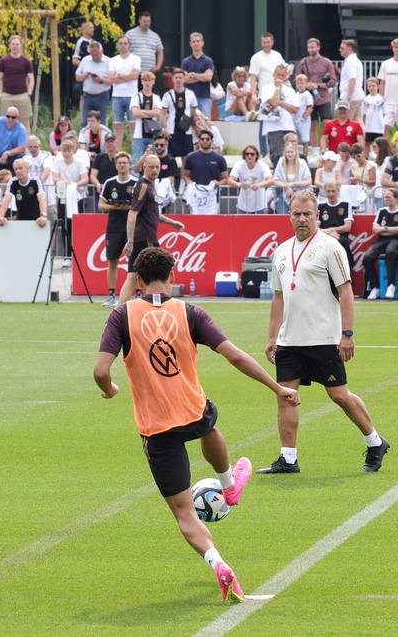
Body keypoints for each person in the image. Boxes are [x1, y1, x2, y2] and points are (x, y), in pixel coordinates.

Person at [94, 246, 293, 604]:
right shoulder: (190, 312)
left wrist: (109, 389)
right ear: (172, 276)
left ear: (138, 281)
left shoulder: (120, 316)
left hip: (155, 428)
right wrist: (277, 387)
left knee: (185, 513)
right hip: (192, 412)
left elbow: (99, 371)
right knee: (209, 424)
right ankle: (228, 484)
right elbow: (234, 354)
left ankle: (218, 564)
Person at [262, 190, 389, 475]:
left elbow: (346, 292)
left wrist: (347, 333)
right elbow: (278, 298)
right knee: (285, 395)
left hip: (324, 338)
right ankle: (288, 458)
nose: (302, 219)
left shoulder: (331, 247)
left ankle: (375, 441)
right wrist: (272, 337)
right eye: (297, 214)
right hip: (289, 339)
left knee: (339, 395)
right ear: (289, 216)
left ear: (317, 216)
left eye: (307, 214)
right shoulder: (281, 251)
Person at [121, 153, 186, 297]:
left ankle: (118, 313)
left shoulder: (150, 185)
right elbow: (132, 213)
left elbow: (152, 212)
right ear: (144, 167)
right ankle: (165, 304)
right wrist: (130, 241)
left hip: (144, 237)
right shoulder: (144, 186)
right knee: (164, 272)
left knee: (132, 276)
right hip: (146, 238)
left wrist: (171, 223)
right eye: (151, 167)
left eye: (157, 167)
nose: (155, 170)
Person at [98, 152, 137, 305]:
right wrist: (115, 206)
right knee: (112, 261)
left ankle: (137, 294)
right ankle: (112, 295)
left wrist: (129, 207)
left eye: (125, 162)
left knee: (135, 262)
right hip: (113, 227)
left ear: (129, 164)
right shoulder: (109, 183)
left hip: (132, 228)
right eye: (119, 162)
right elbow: (101, 205)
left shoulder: (136, 182)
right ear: (116, 165)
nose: (122, 165)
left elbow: (140, 205)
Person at [296, 38, 335, 146]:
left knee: (328, 125)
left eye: (313, 47)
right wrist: (305, 85)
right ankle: (315, 149)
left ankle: (327, 148)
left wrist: (318, 85)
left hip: (323, 97)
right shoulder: (302, 63)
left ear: (318, 47)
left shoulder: (327, 62)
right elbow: (297, 80)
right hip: (308, 99)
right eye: (309, 47)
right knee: (311, 125)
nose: (310, 49)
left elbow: (333, 81)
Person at [183, 130, 229, 215]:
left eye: (207, 139)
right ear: (199, 140)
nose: (205, 141)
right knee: (195, 223)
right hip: (195, 196)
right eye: (202, 139)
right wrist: (190, 183)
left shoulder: (219, 158)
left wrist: (218, 183)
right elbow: (185, 175)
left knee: (212, 223)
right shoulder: (191, 157)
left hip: (212, 197)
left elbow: (226, 178)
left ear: (212, 141)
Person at [0, 35, 35, 129]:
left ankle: (27, 143)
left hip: (22, 96)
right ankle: (6, 143)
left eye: (17, 44)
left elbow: (31, 78)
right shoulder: (4, 60)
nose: (15, 46)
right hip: (7, 96)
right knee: (5, 121)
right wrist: (1, 94)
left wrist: (29, 93)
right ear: (9, 46)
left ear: (21, 46)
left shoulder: (26, 61)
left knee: (25, 122)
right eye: (13, 44)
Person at [318, 181, 355, 267]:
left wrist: (330, 230)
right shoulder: (320, 205)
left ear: (338, 191)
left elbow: (347, 227)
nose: (331, 194)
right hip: (324, 238)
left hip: (340, 237)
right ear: (325, 192)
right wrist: (329, 233)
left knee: (345, 259)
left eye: (333, 191)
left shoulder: (346, 204)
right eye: (328, 191)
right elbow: (315, 229)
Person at [130, 72, 165, 162]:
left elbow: (158, 112)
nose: (147, 83)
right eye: (145, 80)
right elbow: (135, 113)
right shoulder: (136, 97)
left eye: (150, 80)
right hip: (139, 135)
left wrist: (142, 111)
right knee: (137, 160)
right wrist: (151, 112)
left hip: (153, 134)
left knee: (152, 159)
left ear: (153, 82)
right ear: (141, 82)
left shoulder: (156, 98)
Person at [181, 32, 216, 117]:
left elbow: (208, 77)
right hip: (189, 98)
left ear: (202, 43)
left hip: (204, 98)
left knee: (205, 125)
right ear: (190, 44)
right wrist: (201, 76)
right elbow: (184, 79)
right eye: (193, 41)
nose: (196, 43)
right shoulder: (185, 61)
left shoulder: (208, 61)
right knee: (189, 125)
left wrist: (192, 75)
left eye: (198, 41)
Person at [230, 146, 273, 214]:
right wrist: (240, 184)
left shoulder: (263, 165)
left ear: (256, 155)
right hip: (242, 206)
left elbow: (270, 180)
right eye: (247, 154)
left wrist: (259, 185)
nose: (249, 156)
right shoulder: (239, 164)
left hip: (260, 206)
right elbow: (230, 180)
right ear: (244, 155)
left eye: (252, 154)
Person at [248, 32, 285, 98]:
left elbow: (285, 71)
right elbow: (253, 77)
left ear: (272, 42)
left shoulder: (278, 55)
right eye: (264, 42)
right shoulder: (256, 57)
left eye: (268, 42)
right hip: (264, 94)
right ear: (261, 43)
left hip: (280, 93)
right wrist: (253, 95)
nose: (266, 44)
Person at [338, 39, 365, 109]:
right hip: (357, 96)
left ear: (349, 48)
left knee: (346, 119)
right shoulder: (355, 61)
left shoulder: (351, 62)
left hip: (351, 98)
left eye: (342, 48)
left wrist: (348, 98)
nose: (340, 50)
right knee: (357, 119)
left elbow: (352, 79)